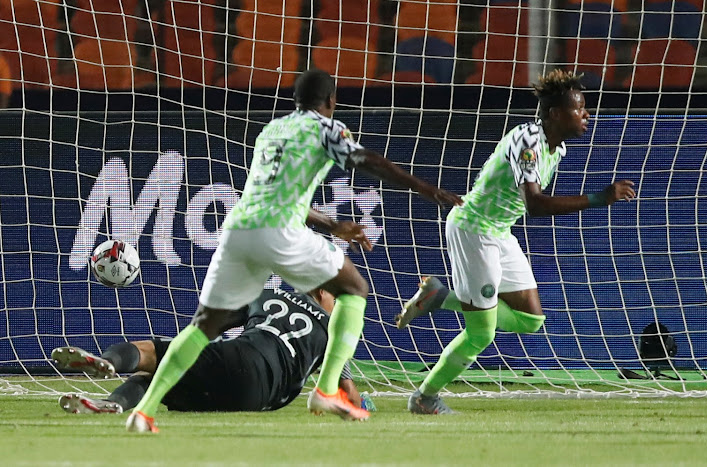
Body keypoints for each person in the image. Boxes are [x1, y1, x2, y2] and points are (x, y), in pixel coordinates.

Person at [125, 69, 463, 432]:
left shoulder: (271, 131)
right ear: (331, 101)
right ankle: (327, 388)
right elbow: (369, 161)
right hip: (278, 230)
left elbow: (277, 193)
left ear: (295, 101)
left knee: (203, 326)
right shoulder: (326, 128)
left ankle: (143, 412)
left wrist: (333, 226)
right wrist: (430, 191)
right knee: (354, 289)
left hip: (238, 230)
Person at [395, 70, 636, 414]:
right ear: (554, 113)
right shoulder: (528, 141)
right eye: (579, 109)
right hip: (474, 230)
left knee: (531, 319)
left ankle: (440, 297)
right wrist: (599, 198)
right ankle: (424, 397)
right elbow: (536, 205)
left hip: (498, 231)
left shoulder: (556, 148)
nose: (586, 115)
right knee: (482, 334)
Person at [52, 287, 369, 419]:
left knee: (153, 354)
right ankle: (113, 405)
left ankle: (107, 363)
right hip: (255, 401)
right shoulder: (335, 330)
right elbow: (350, 398)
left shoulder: (267, 294)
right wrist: (361, 406)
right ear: (321, 293)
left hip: (241, 360)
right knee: (160, 378)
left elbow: (207, 325)